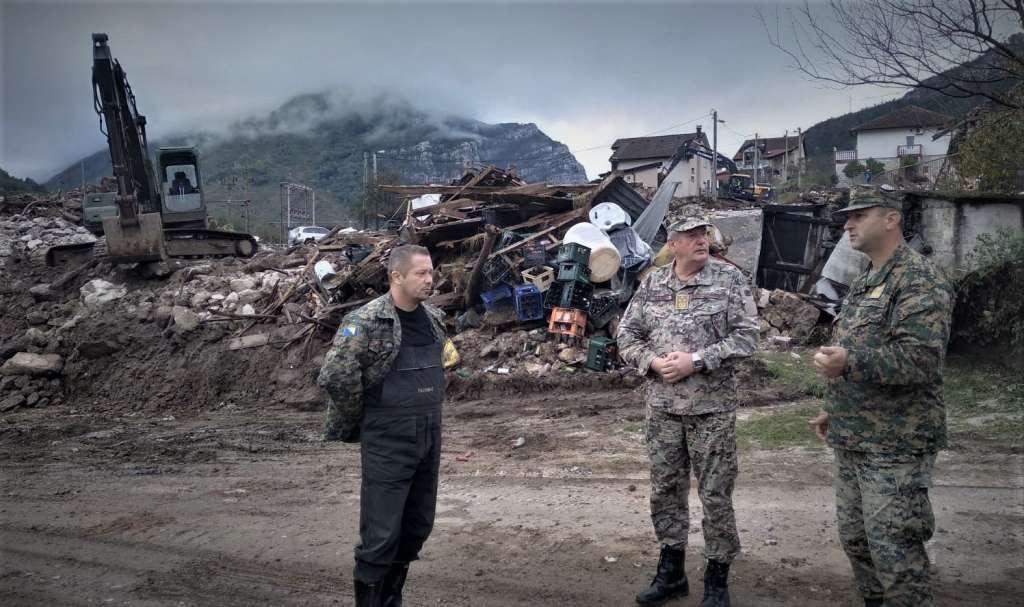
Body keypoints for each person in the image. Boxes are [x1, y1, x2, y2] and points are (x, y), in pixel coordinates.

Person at [812, 188, 953, 607]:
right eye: (846, 217)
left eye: (859, 215)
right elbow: (854, 344)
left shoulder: (919, 279)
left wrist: (849, 363)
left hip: (897, 444)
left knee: (895, 551)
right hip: (853, 436)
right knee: (857, 542)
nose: (847, 224)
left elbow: (921, 359)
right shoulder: (865, 280)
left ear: (891, 219)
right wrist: (831, 404)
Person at [618, 218, 759, 607]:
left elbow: (748, 337)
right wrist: (649, 362)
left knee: (715, 495)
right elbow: (626, 334)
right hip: (662, 411)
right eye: (692, 236)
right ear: (673, 243)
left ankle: (717, 580)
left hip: (711, 411)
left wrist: (696, 360)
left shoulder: (728, 280)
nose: (702, 240)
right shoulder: (652, 284)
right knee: (665, 492)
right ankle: (671, 573)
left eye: (705, 234)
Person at [318, 245, 449, 607]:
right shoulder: (366, 321)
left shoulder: (434, 318)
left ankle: (391, 599)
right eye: (421, 273)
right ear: (396, 276)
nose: (430, 279)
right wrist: (364, 420)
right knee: (381, 535)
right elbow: (335, 376)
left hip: (428, 434)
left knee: (416, 527)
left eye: (430, 272)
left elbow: (442, 367)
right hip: (388, 436)